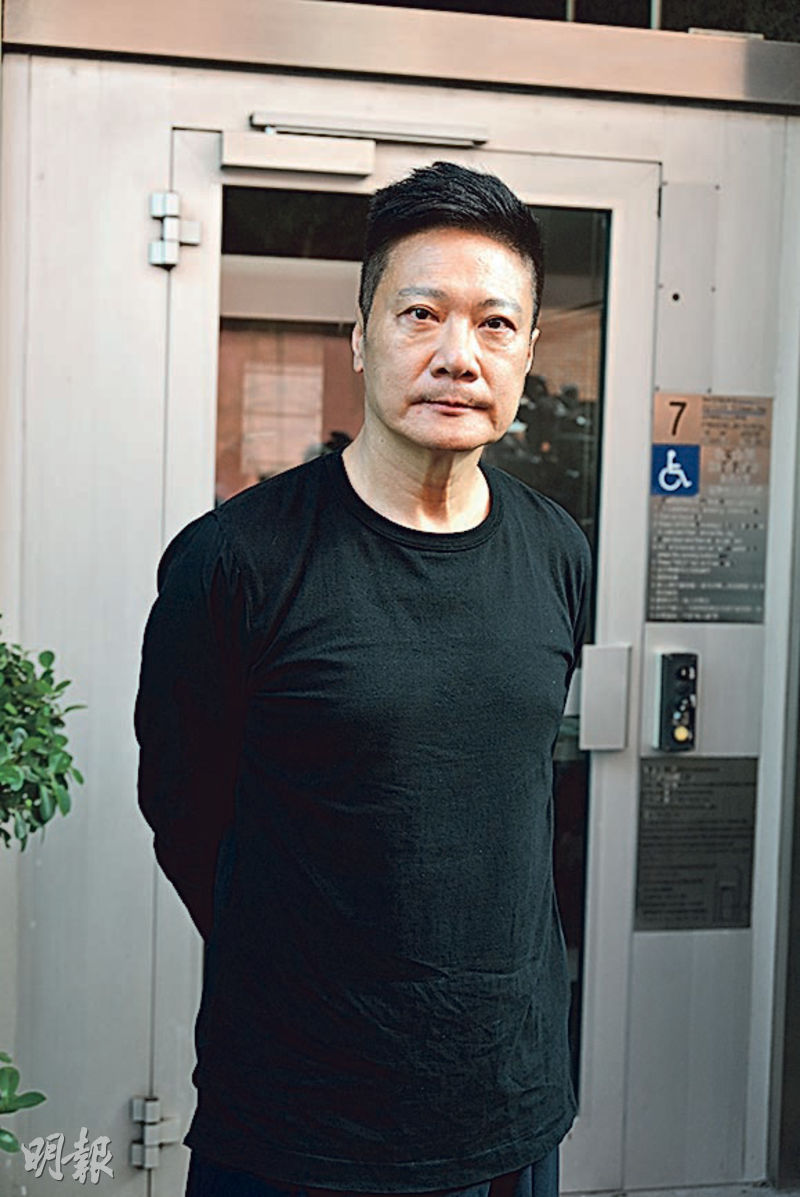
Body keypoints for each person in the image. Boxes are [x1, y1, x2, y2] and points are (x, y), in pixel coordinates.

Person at [134, 161, 591, 1197]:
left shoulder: (556, 550)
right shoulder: (235, 562)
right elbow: (183, 810)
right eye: (420, 313)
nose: (457, 355)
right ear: (360, 336)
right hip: (299, 1121)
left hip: (510, 1105)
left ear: (525, 353)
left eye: (495, 324)